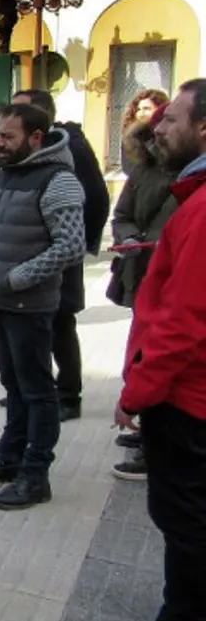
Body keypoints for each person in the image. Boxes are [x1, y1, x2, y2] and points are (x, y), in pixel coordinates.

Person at [91, 78, 206, 621]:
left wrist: (136, 393)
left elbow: (183, 322)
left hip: (188, 400)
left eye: (170, 120)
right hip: (187, 392)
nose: (157, 128)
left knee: (184, 521)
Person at [0, 103, 86, 510]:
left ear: (35, 137)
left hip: (29, 308)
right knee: (13, 387)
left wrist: (16, 278)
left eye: (7, 136)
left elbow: (71, 246)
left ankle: (35, 474)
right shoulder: (8, 176)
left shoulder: (59, 181)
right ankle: (9, 457)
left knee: (38, 392)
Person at [10, 89, 109, 421]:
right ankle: (35, 389)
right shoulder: (25, 150)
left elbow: (95, 196)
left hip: (59, 255)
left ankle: (68, 395)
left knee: (61, 324)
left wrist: (80, 244)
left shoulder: (70, 147)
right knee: (36, 326)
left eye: (20, 110)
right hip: (30, 253)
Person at [107, 102, 179, 480]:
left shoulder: (192, 176)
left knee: (165, 354)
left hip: (176, 283)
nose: (161, 131)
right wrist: (130, 237)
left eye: (170, 121)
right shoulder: (143, 170)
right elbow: (122, 215)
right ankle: (146, 430)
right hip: (143, 274)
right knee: (142, 351)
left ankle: (155, 444)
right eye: (158, 124)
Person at [120, 89, 171, 175]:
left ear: (161, 110)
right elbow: (130, 170)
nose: (141, 113)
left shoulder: (172, 135)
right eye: (138, 109)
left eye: (146, 109)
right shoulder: (131, 137)